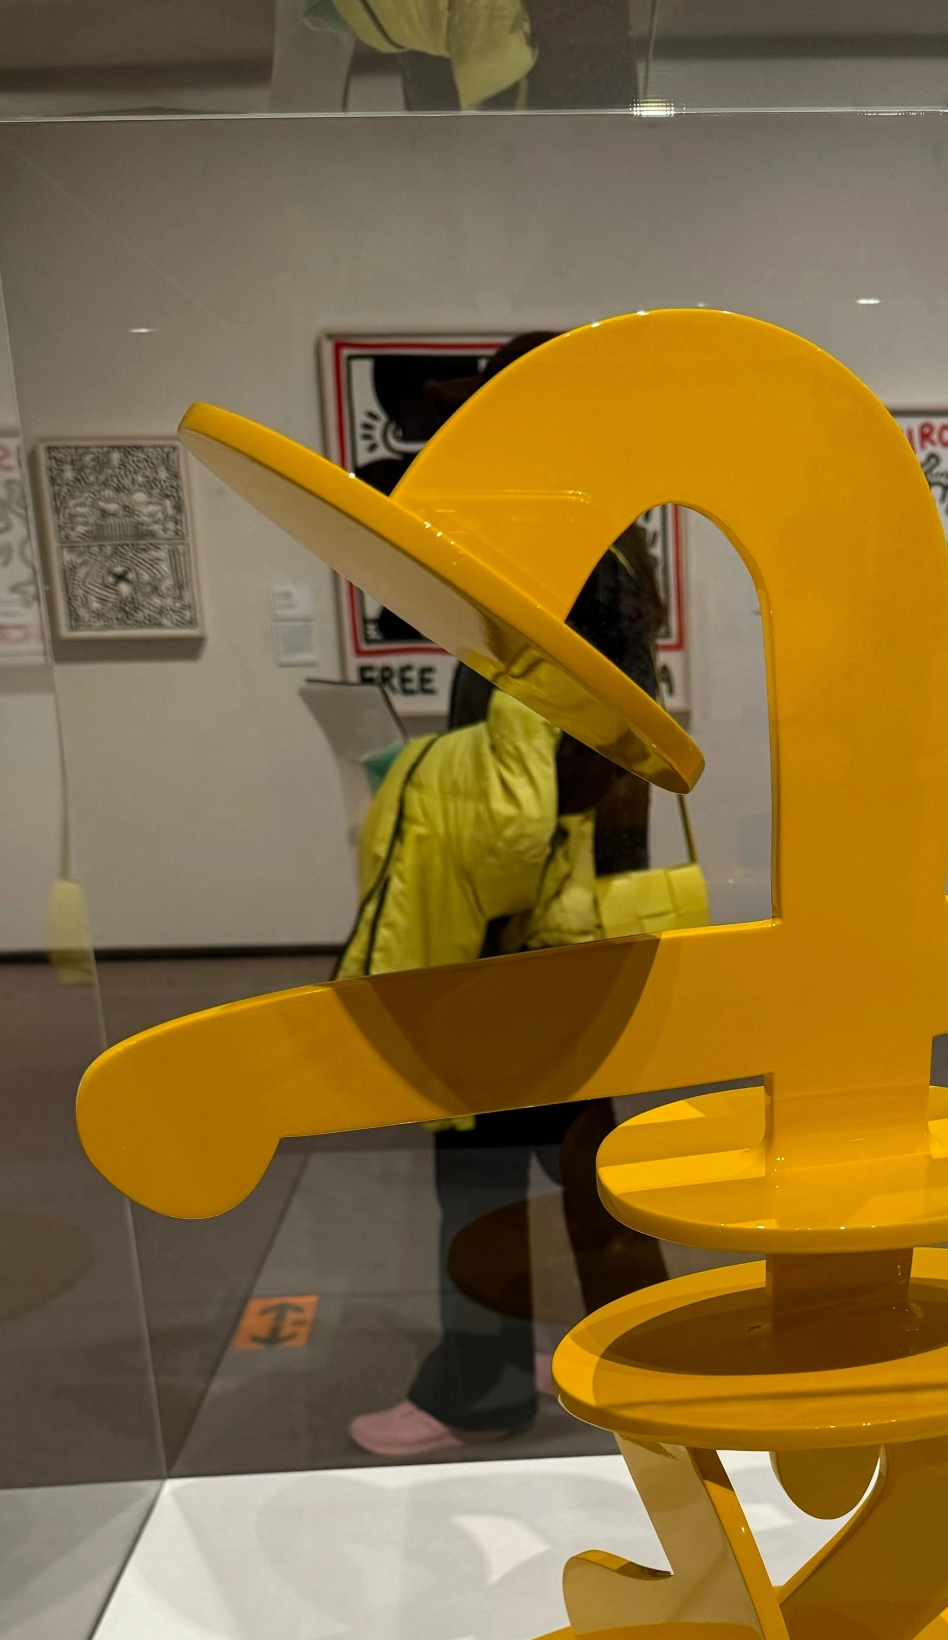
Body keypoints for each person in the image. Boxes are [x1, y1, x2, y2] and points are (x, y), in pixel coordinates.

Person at [341, 341, 668, 1458]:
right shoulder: (599, 554)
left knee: (480, 1157)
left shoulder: (561, 569)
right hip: (564, 907)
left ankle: (480, 1382)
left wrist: (432, 799)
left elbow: (551, 780)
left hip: (519, 916)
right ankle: (640, 1356)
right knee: (575, 1155)